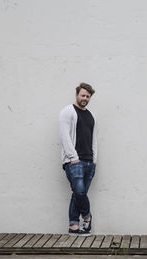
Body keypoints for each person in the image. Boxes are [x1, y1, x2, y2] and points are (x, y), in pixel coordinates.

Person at [59, 82, 97, 236]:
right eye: (83, 95)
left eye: (88, 96)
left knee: (77, 194)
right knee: (80, 191)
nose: (85, 98)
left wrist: (94, 159)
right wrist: (73, 157)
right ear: (76, 95)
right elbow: (64, 136)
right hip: (75, 162)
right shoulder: (67, 112)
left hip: (89, 162)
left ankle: (73, 226)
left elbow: (93, 138)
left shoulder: (91, 115)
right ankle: (87, 217)